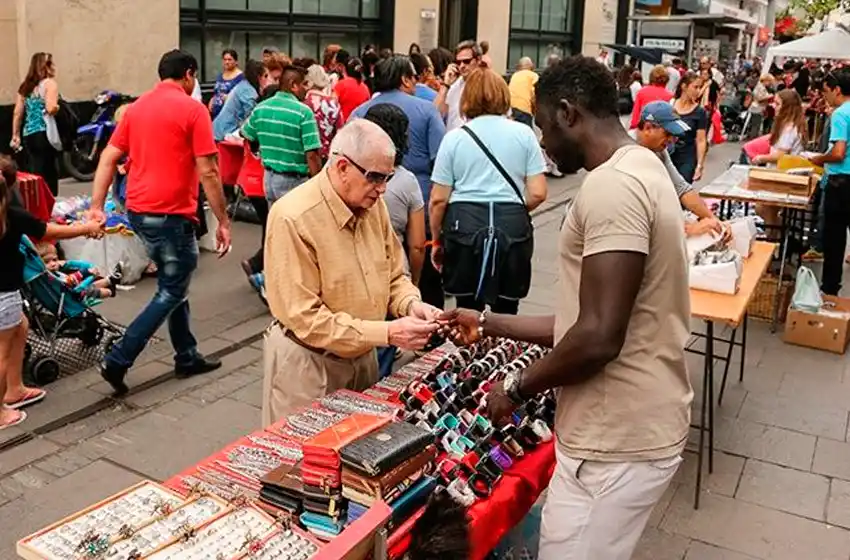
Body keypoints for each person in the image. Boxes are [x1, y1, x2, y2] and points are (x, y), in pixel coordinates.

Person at [440, 55, 691, 560]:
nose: (542, 142)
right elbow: (585, 321)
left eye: (542, 126)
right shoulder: (643, 165)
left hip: (614, 438)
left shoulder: (613, 186)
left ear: (567, 113)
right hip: (633, 426)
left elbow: (597, 336)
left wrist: (515, 386)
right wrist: (487, 322)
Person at [261, 120, 442, 424]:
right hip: (310, 367)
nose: (383, 189)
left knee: (362, 444)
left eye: (388, 177)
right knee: (309, 451)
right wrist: (388, 333)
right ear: (342, 167)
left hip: (363, 356)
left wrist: (411, 304)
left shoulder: (373, 205)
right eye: (375, 177)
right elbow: (307, 319)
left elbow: (394, 276)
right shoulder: (293, 217)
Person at [87, 49, 232, 396]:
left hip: (139, 211)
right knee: (171, 289)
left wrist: (96, 206)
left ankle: (187, 355)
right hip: (171, 215)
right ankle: (118, 359)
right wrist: (223, 220)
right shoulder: (193, 109)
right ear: (189, 74)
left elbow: (108, 156)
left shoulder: (137, 108)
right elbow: (209, 171)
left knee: (174, 281)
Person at [429, 68, 547, 314]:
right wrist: (514, 205)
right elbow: (538, 193)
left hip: (464, 226)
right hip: (512, 226)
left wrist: (437, 239)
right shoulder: (524, 134)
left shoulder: (454, 138)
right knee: (507, 309)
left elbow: (438, 199)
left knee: (466, 309)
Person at [0, 175, 105, 429]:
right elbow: (49, 231)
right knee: (1, 351)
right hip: (4, 294)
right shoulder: (11, 216)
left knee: (21, 326)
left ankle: (14, 389)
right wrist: (87, 228)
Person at [351, 55, 446, 309]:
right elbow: (440, 161)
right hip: (418, 202)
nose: (416, 82)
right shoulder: (427, 110)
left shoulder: (360, 111)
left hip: (366, 199)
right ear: (404, 79)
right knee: (427, 278)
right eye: (414, 76)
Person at [363, 104, 427, 377]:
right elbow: (417, 245)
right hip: (391, 276)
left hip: (367, 283)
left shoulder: (348, 178)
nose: (380, 188)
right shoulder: (407, 181)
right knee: (381, 359)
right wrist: (413, 282)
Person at [633, 101, 723, 237]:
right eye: (668, 134)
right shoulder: (628, 151)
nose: (671, 140)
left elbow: (681, 188)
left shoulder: (659, 150)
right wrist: (685, 230)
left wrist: (714, 220)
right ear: (648, 128)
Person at [242, 65, 323, 205]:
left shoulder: (261, 108)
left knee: (274, 217)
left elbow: (246, 133)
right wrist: (319, 185)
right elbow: (312, 155)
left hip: (268, 179)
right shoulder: (304, 112)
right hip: (294, 181)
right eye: (304, 84)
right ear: (293, 85)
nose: (307, 89)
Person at [808, 68, 850, 295]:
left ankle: (830, 290)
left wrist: (819, 158)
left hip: (841, 182)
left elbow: (838, 153)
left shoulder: (841, 114)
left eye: (826, 91)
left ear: (837, 90)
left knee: (835, 238)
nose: (825, 96)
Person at [11, 52, 61, 196]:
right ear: (45, 67)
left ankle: (36, 199)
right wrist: (58, 107)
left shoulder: (25, 87)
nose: (53, 67)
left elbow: (17, 113)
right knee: (49, 169)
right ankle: (50, 200)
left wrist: (15, 135)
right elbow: (51, 108)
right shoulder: (49, 84)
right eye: (51, 64)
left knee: (35, 169)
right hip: (44, 132)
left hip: (28, 134)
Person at [37, 242, 123, 299]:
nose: (53, 264)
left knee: (88, 285)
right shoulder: (48, 276)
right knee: (90, 290)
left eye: (54, 260)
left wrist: (65, 264)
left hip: (70, 290)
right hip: (72, 294)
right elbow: (70, 281)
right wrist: (86, 272)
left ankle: (110, 280)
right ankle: (110, 291)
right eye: (47, 262)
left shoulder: (53, 272)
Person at [213, 59, 266, 142]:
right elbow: (251, 118)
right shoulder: (249, 91)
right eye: (265, 76)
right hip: (224, 133)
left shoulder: (244, 85)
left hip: (219, 131)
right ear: (259, 77)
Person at [751, 88, 807, 165]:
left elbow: (780, 155)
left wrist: (760, 158)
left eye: (777, 104)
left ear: (787, 107)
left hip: (781, 169)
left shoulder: (789, 129)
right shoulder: (792, 125)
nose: (774, 106)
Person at [436, 40, 482, 132]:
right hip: (454, 137)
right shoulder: (453, 86)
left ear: (478, 60)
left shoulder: (487, 86)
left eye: (466, 61)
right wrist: (446, 84)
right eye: (458, 62)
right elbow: (436, 114)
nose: (462, 66)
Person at [670, 71, 708, 182]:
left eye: (699, 87)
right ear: (684, 86)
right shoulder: (670, 105)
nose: (698, 91)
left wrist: (699, 166)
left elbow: (701, 140)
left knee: (683, 187)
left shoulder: (700, 112)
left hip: (687, 157)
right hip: (669, 154)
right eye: (695, 87)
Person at [303, 65, 344, 163]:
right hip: (328, 156)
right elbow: (340, 132)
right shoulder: (333, 104)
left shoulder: (303, 103)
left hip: (306, 157)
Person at [629, 64, 673, 129]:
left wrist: (633, 126)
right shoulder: (670, 96)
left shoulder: (642, 92)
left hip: (644, 129)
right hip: (661, 130)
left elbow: (636, 114)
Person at [334, 53, 371, 122]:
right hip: (360, 123)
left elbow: (332, 105)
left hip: (344, 124)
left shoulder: (341, 85)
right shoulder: (365, 87)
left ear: (345, 69)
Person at [209, 49, 244, 118]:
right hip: (216, 115)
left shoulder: (241, 77)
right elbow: (217, 92)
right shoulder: (220, 76)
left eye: (229, 59)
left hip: (230, 116)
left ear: (236, 61)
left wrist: (230, 98)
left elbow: (243, 97)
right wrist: (212, 100)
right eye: (225, 59)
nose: (227, 62)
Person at [509, 57, 538, 128]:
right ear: (531, 66)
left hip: (511, 109)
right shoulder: (533, 75)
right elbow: (535, 94)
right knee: (527, 132)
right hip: (524, 109)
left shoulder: (514, 75)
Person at [746, 74, 775, 140]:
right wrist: (769, 96)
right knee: (756, 124)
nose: (770, 84)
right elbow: (759, 98)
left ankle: (752, 137)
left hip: (756, 107)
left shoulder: (760, 86)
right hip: (757, 108)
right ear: (766, 80)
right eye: (770, 82)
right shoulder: (761, 87)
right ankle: (753, 138)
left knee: (755, 124)